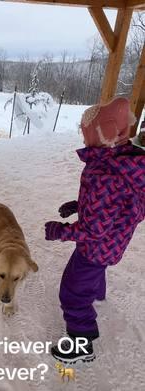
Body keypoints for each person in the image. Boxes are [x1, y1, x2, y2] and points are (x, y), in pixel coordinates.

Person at [45, 97, 145, 363]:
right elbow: (110, 204)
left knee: (72, 291)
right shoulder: (123, 163)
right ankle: (97, 293)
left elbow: (95, 229)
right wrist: (79, 205)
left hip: (97, 248)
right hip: (113, 243)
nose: (83, 134)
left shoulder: (105, 173)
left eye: (86, 130)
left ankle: (81, 343)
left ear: (107, 132)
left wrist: (60, 231)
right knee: (95, 272)